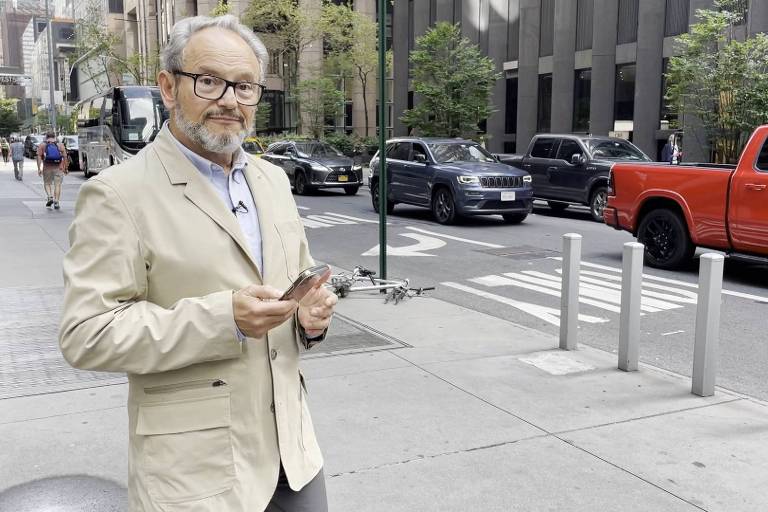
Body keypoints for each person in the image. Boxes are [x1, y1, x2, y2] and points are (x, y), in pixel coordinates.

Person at [59, 14, 337, 512]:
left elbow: (296, 286)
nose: (230, 99)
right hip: (194, 474)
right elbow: (86, 334)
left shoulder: (273, 181)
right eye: (208, 81)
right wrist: (222, 318)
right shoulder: (118, 194)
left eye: (245, 86)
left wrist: (310, 319)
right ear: (168, 86)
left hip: (294, 455)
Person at [36, 132, 67, 209]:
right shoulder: (60, 144)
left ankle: (50, 196)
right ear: (55, 136)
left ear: (46, 137)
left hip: (47, 168)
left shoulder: (42, 145)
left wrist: (39, 168)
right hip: (58, 168)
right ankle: (56, 201)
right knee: (57, 185)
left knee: (47, 183)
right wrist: (66, 168)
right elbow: (65, 157)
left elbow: (39, 157)